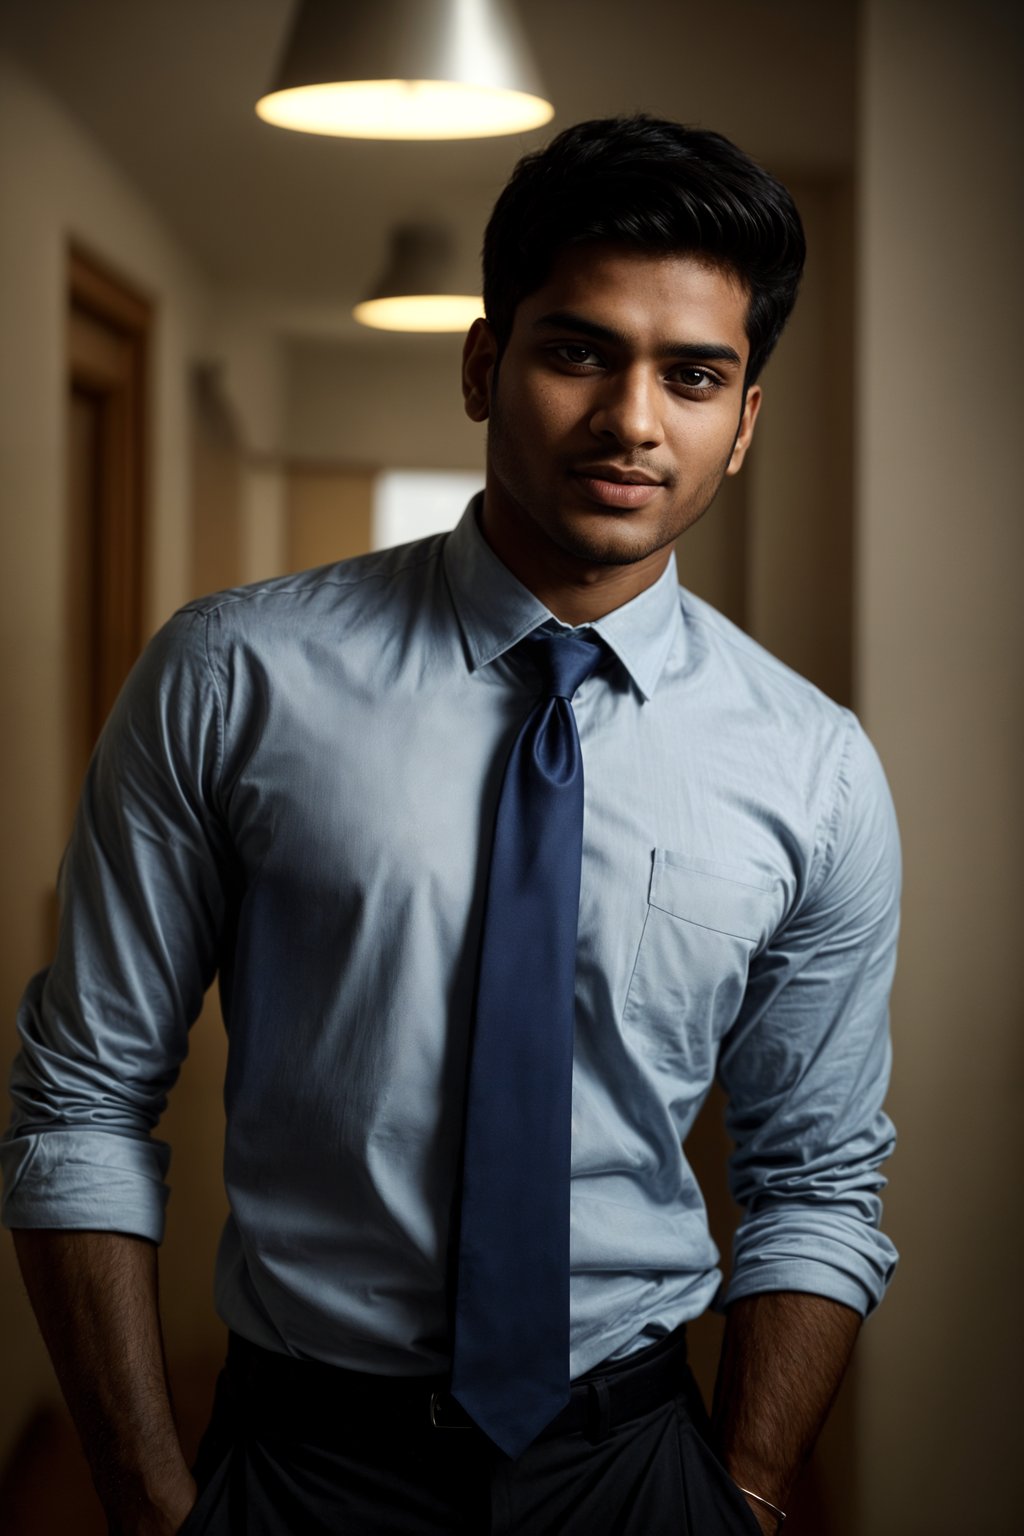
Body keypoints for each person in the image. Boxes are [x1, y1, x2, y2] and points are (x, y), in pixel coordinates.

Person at [1, 116, 899, 1536]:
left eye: (696, 374)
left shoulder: (817, 770)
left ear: (745, 421)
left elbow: (819, 1175)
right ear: (485, 363)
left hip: (635, 1459)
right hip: (302, 1460)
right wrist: (149, 1502)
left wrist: (747, 1492)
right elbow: (82, 1102)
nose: (634, 420)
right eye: (580, 350)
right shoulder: (235, 676)